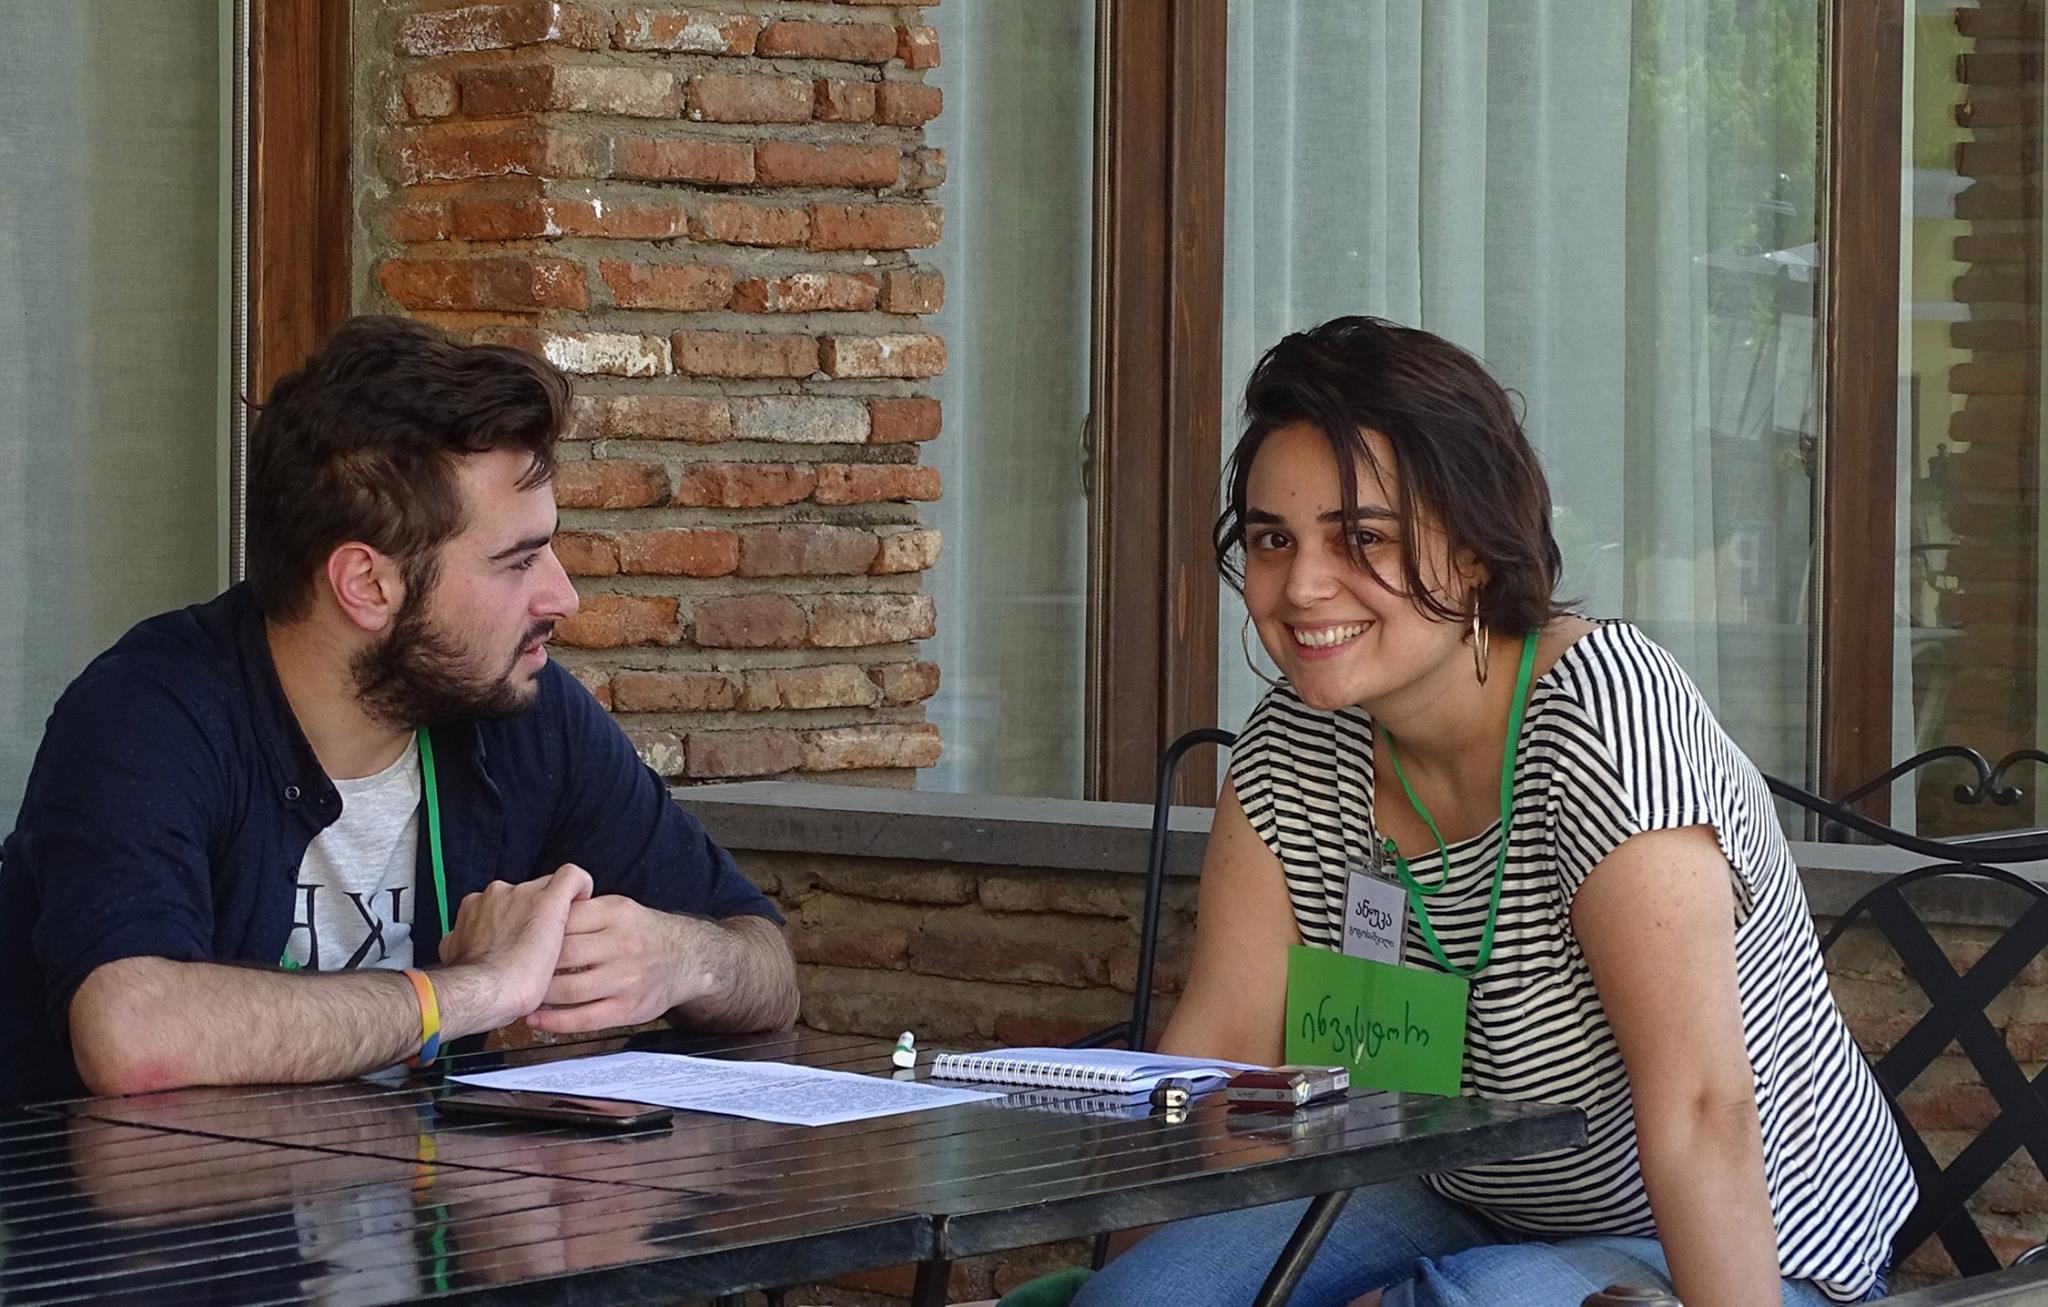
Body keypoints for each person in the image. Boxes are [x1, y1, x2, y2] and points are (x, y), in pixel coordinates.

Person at [1072, 318, 1912, 1307]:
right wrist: (1126, 1289)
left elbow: (1700, 1108)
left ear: (1472, 550)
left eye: (1362, 538)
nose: (1300, 586)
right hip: (1454, 1187)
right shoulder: (1295, 738)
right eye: (1271, 539)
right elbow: (1222, 1050)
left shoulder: (1601, 719)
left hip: (1740, 1228)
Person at [0, 315, 798, 1107]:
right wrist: (478, 988)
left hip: (419, 1186)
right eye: (518, 561)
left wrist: (681, 958)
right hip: (147, 1193)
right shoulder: (150, 715)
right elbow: (133, 1035)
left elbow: (768, 965)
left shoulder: (521, 710)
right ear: (367, 584)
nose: (563, 597)